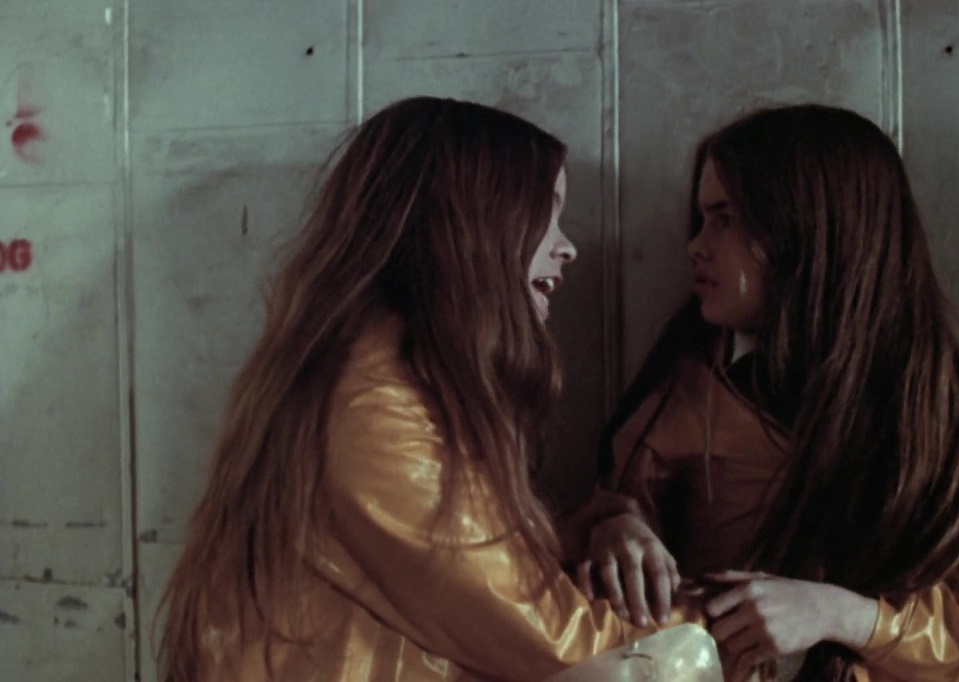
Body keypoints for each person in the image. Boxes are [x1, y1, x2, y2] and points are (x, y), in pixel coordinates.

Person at [156, 96, 699, 681]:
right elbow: (554, 640)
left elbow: (477, 572)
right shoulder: (377, 406)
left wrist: (601, 527)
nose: (566, 246)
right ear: (472, 225)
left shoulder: (387, 377)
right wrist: (742, 624)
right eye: (548, 212)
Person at [570, 105, 959, 681]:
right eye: (702, 218)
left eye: (726, 219)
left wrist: (840, 615)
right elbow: (614, 523)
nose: (695, 245)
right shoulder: (689, 387)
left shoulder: (932, 415)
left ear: (808, 233)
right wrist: (614, 528)